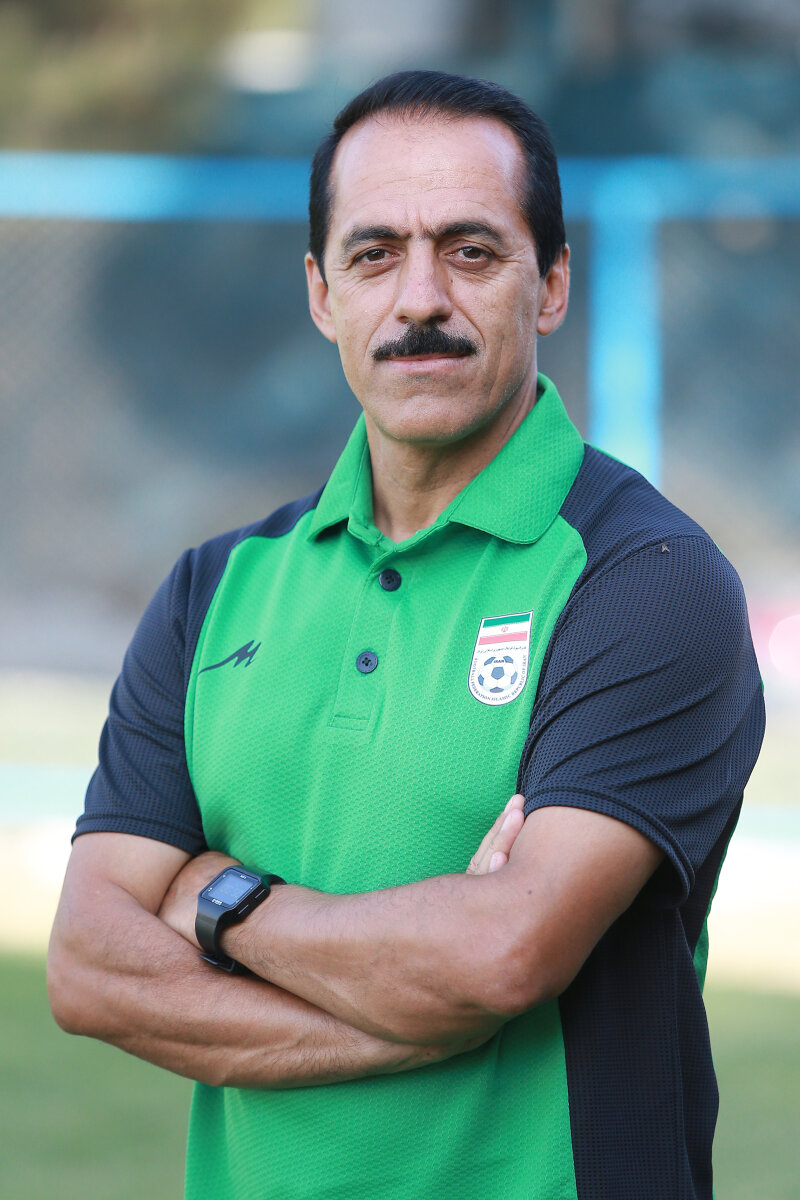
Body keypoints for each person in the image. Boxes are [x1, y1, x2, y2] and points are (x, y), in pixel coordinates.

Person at [48, 70, 765, 1200]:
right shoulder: (214, 590)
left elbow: (502, 953)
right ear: (321, 293)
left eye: (470, 251)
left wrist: (221, 902)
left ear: (551, 285)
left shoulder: (646, 581)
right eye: (375, 253)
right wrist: (412, 1022)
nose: (419, 298)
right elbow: (90, 966)